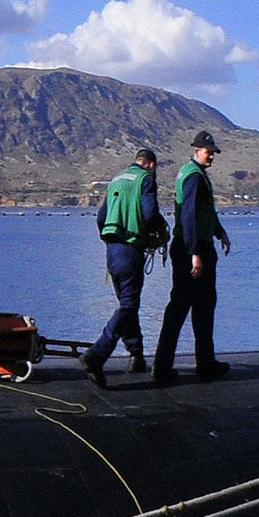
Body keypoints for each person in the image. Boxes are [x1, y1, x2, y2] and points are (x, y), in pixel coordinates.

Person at [81, 148, 168, 387]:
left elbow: (101, 217)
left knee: (127, 304)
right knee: (129, 305)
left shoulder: (116, 180)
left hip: (112, 251)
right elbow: (150, 214)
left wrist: (109, 239)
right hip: (131, 249)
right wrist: (160, 227)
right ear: (151, 164)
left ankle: (136, 355)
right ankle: (97, 354)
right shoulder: (145, 179)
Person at [152, 130, 233, 385]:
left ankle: (203, 362)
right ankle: (166, 366)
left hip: (196, 246)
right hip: (192, 249)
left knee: (202, 305)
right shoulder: (193, 177)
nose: (212, 157)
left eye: (213, 153)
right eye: (209, 152)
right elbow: (188, 216)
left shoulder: (195, 174)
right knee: (183, 307)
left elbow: (203, 211)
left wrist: (220, 232)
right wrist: (195, 253)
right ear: (197, 150)